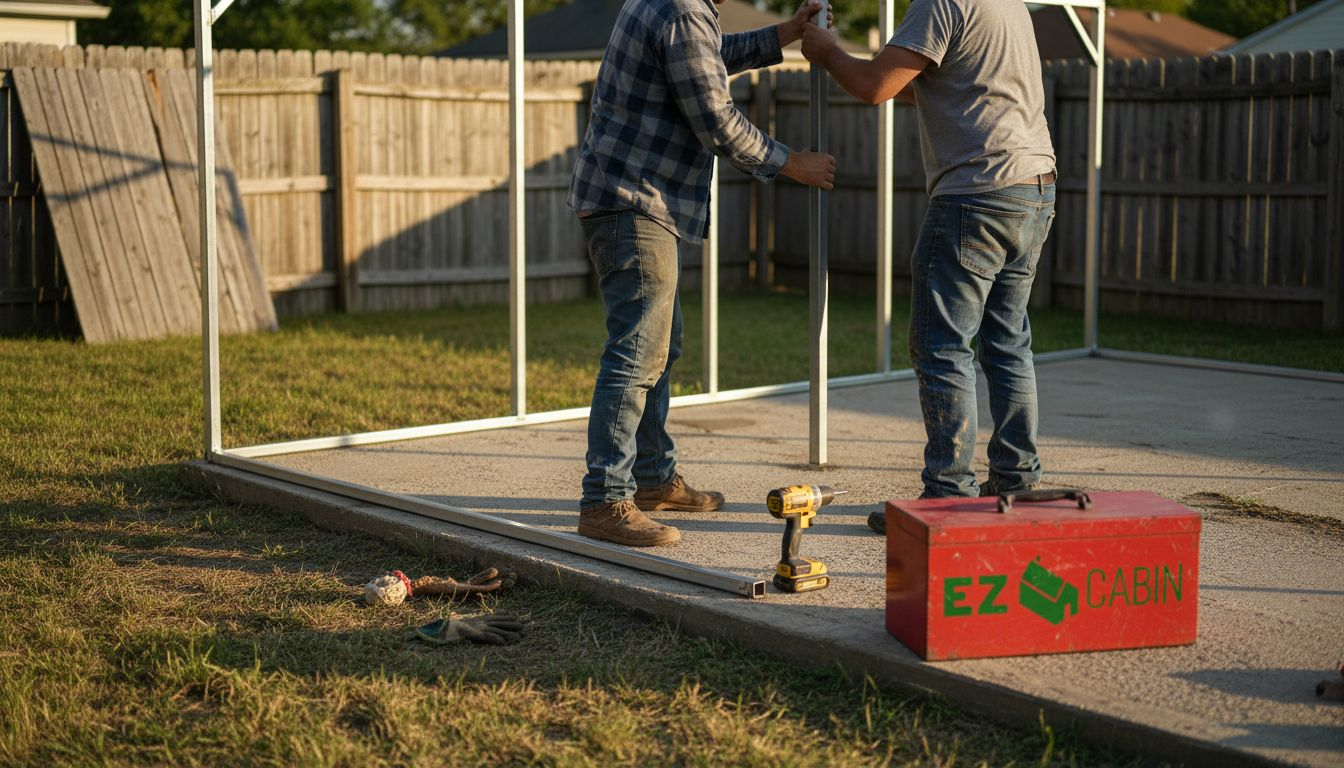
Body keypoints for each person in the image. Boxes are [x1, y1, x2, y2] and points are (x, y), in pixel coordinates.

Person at [569, 0, 837, 547]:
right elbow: (716, 120)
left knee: (662, 347)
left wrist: (784, 33)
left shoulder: (680, 9)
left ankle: (652, 480)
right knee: (638, 353)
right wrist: (792, 163)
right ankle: (604, 499)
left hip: (631, 199)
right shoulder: (683, 8)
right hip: (634, 201)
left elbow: (705, 60)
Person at [800, 0, 1056, 533]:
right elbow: (928, 84)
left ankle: (948, 496)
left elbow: (875, 86)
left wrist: (827, 53)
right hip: (1033, 188)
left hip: (975, 193)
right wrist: (860, 65)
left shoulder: (942, 1)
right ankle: (1017, 481)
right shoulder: (1008, 5)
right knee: (1007, 341)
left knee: (942, 346)